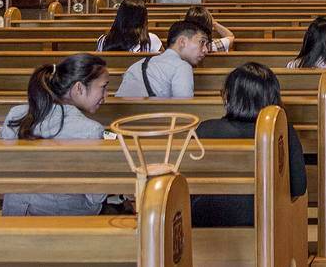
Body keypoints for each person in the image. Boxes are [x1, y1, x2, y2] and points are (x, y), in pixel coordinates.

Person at [190, 63, 306, 228]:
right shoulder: (281, 131)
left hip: (205, 216)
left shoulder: (205, 129)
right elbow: (299, 187)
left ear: (228, 96)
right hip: (264, 217)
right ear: (273, 97)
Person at [0, 53, 111, 216]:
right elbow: (95, 196)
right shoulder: (91, 131)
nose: (106, 96)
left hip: (14, 211)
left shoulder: (16, 115)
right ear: (79, 88)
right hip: (63, 218)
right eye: (103, 87)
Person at [116, 20, 208, 98]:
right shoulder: (182, 67)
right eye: (202, 42)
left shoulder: (138, 64)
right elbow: (184, 110)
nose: (205, 50)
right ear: (182, 42)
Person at [95, 0, 160, 54]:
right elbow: (165, 63)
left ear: (120, 17)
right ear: (143, 19)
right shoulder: (151, 40)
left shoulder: (102, 41)